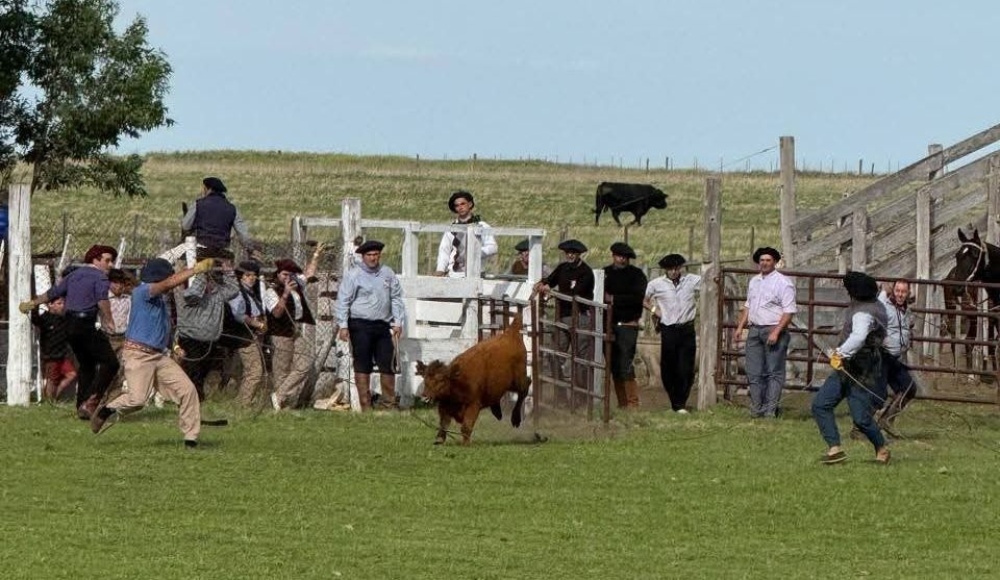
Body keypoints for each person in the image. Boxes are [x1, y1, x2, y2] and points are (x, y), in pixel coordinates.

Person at [89, 257, 215, 447]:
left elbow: (163, 329)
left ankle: (190, 439)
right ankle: (106, 410)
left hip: (159, 356)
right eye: (169, 276)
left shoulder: (161, 302)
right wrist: (195, 270)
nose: (172, 280)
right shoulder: (144, 292)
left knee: (188, 391)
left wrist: (174, 347)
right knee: (138, 400)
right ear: (160, 277)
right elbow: (166, 284)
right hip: (138, 356)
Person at [19, 245, 121, 419]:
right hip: (85, 324)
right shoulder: (100, 277)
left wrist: (32, 303)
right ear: (95, 259)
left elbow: (53, 293)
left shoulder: (73, 275)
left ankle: (82, 409)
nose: (110, 264)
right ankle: (91, 402)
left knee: (87, 365)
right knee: (111, 363)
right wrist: (109, 321)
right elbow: (102, 300)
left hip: (70, 326)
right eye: (107, 260)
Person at [811, 271, 892, 465]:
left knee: (861, 418)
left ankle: (882, 449)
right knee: (820, 404)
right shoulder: (877, 304)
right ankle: (835, 449)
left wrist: (840, 354)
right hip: (849, 366)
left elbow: (858, 337)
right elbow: (881, 297)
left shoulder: (863, 313)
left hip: (861, 367)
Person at [335, 240, 406, 410]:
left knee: (387, 363)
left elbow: (396, 297)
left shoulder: (387, 273)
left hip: (382, 324)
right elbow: (343, 300)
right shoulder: (353, 275)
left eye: (376, 255)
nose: (373, 258)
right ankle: (366, 405)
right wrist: (343, 325)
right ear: (363, 256)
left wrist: (398, 321)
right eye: (369, 255)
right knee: (363, 363)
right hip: (360, 324)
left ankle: (388, 403)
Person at [732, 247, 797, 418]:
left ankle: (770, 410)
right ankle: (756, 409)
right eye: (762, 260)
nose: (765, 263)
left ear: (774, 262)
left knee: (774, 372)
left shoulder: (784, 283)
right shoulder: (754, 281)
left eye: (768, 260)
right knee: (753, 371)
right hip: (755, 329)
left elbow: (789, 311)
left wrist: (776, 332)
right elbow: (748, 305)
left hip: (773, 328)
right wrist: (740, 327)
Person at [533, 239, 595, 402]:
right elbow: (549, 280)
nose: (570, 255)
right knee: (554, 355)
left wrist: (553, 293)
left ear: (579, 254)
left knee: (580, 359)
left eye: (573, 253)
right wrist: (541, 284)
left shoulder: (586, 272)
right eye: (567, 252)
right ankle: (561, 396)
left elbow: (577, 296)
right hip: (562, 316)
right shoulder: (562, 268)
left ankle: (581, 398)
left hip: (580, 317)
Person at [174, 252, 240, 400]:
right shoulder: (185, 293)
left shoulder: (217, 293)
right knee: (193, 374)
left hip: (209, 340)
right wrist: (201, 274)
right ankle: (192, 402)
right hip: (191, 339)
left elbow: (234, 290)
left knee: (203, 372)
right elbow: (194, 294)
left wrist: (228, 271)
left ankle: (195, 401)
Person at [265, 246, 324, 410]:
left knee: (304, 363)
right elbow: (276, 313)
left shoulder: (296, 285)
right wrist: (285, 293)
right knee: (281, 370)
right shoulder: (271, 291)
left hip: (295, 330)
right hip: (279, 333)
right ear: (277, 274)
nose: (287, 277)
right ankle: (282, 404)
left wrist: (316, 255)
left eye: (290, 274)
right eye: (284, 274)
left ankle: (279, 395)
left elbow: (308, 274)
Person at [645, 254, 702, 413]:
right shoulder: (656, 284)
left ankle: (681, 403)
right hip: (668, 328)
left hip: (686, 327)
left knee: (686, 366)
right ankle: (674, 401)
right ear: (666, 270)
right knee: (669, 366)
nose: (674, 271)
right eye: (670, 269)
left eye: (677, 268)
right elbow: (644, 299)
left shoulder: (691, 280)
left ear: (681, 268)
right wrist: (655, 310)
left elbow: (710, 283)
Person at [602, 242, 647, 410]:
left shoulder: (636, 275)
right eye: (619, 256)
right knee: (613, 364)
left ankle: (632, 402)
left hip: (628, 324)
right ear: (613, 255)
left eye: (625, 257)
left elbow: (638, 297)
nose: (622, 259)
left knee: (625, 363)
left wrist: (613, 299)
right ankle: (622, 402)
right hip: (609, 324)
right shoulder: (604, 273)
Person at [224, 260, 267, 406]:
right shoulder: (238, 292)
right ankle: (243, 403)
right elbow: (238, 314)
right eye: (248, 275)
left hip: (254, 335)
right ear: (241, 276)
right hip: (245, 336)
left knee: (244, 371)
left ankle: (241, 400)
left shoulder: (252, 292)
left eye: (254, 275)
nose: (252, 278)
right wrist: (257, 323)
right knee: (255, 371)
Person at [876, 279, 917, 431]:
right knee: (877, 395)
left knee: (909, 388)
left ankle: (887, 420)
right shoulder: (884, 306)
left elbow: (907, 327)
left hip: (896, 358)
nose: (900, 294)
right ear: (893, 291)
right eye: (898, 291)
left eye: (903, 292)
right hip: (883, 355)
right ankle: (859, 428)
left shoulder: (907, 311)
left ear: (908, 293)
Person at [180, 176, 253, 253]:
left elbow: (185, 226)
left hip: (201, 249)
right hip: (223, 250)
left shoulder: (198, 204)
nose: (203, 192)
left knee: (175, 257)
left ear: (209, 189)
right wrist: (251, 249)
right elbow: (244, 236)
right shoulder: (232, 208)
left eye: (204, 189)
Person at [434, 190, 498, 277]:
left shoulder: (482, 226)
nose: (460, 207)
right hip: (454, 275)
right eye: (457, 205)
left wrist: (475, 253)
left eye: (463, 204)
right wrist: (440, 270)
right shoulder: (451, 229)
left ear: (470, 204)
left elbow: (492, 247)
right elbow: (444, 251)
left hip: (476, 274)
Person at [29, 297, 77, 402]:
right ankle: (49, 402)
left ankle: (54, 398)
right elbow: (35, 319)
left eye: (63, 303)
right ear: (50, 305)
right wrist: (35, 305)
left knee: (72, 375)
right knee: (52, 380)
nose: (62, 306)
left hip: (63, 355)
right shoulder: (45, 318)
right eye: (59, 303)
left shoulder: (64, 319)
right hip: (50, 355)